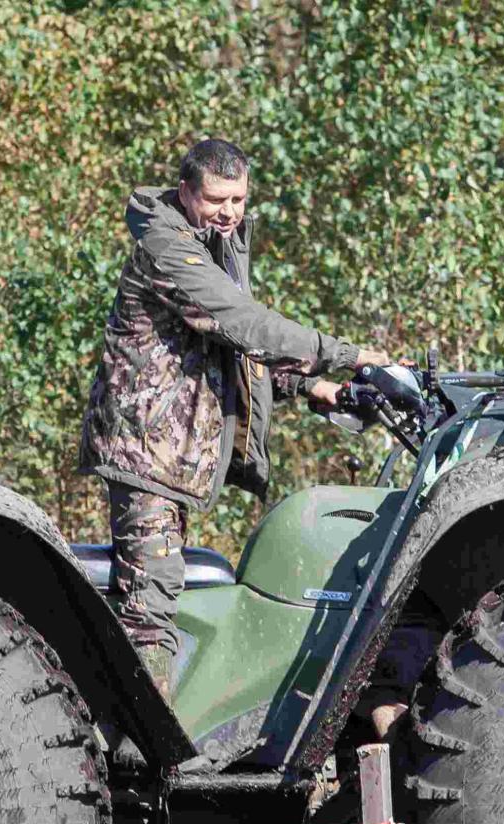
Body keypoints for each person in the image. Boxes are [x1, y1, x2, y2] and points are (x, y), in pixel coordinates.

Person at [80, 138, 390, 695]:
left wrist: (311, 385)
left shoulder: (217, 241)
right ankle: (140, 757)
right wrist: (349, 354)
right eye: (217, 200)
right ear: (185, 193)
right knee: (149, 607)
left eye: (239, 200)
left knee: (164, 594)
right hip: (146, 451)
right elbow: (242, 324)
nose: (229, 212)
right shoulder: (166, 246)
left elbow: (230, 351)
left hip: (175, 454)